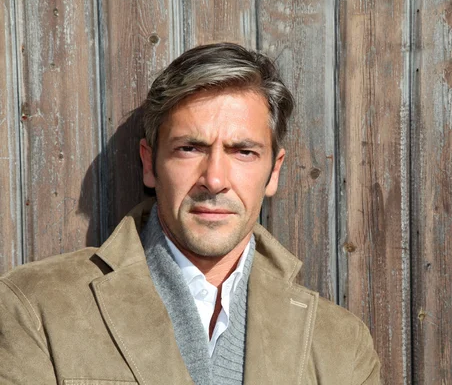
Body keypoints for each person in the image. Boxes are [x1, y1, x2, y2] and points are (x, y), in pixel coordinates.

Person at [0, 43, 380, 384]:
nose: (214, 179)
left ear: (273, 171)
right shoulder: (36, 308)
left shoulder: (341, 347)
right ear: (149, 164)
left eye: (243, 151)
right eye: (190, 149)